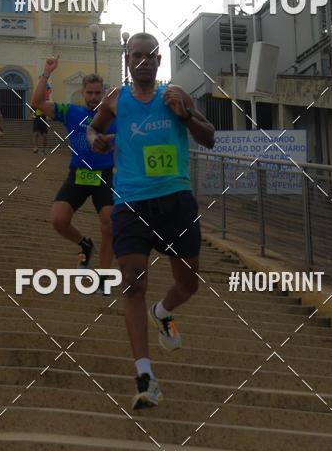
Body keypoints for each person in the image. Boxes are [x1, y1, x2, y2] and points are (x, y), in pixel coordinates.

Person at [87, 32, 215, 409]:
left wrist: (187, 115)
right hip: (131, 203)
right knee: (131, 284)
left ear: (159, 61)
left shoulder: (174, 95)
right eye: (135, 55)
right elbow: (94, 127)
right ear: (127, 60)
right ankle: (145, 376)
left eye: (149, 56)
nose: (142, 61)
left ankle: (163, 312)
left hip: (175, 201)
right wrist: (96, 137)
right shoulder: (116, 99)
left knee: (188, 283)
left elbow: (210, 138)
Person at [31, 58, 117, 293]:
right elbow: (37, 102)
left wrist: (113, 144)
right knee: (58, 220)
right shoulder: (71, 111)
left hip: (104, 176)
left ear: (104, 93)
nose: (93, 97)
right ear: (82, 92)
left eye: (98, 93)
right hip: (77, 174)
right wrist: (46, 72)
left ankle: (104, 276)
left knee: (109, 223)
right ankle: (84, 245)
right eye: (89, 92)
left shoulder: (113, 117)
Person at [32, 84, 51, 154]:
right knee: (36, 133)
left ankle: (43, 149)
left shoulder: (47, 100)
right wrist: (33, 115)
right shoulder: (37, 99)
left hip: (44, 118)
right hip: (37, 117)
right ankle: (35, 147)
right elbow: (32, 108)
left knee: (45, 135)